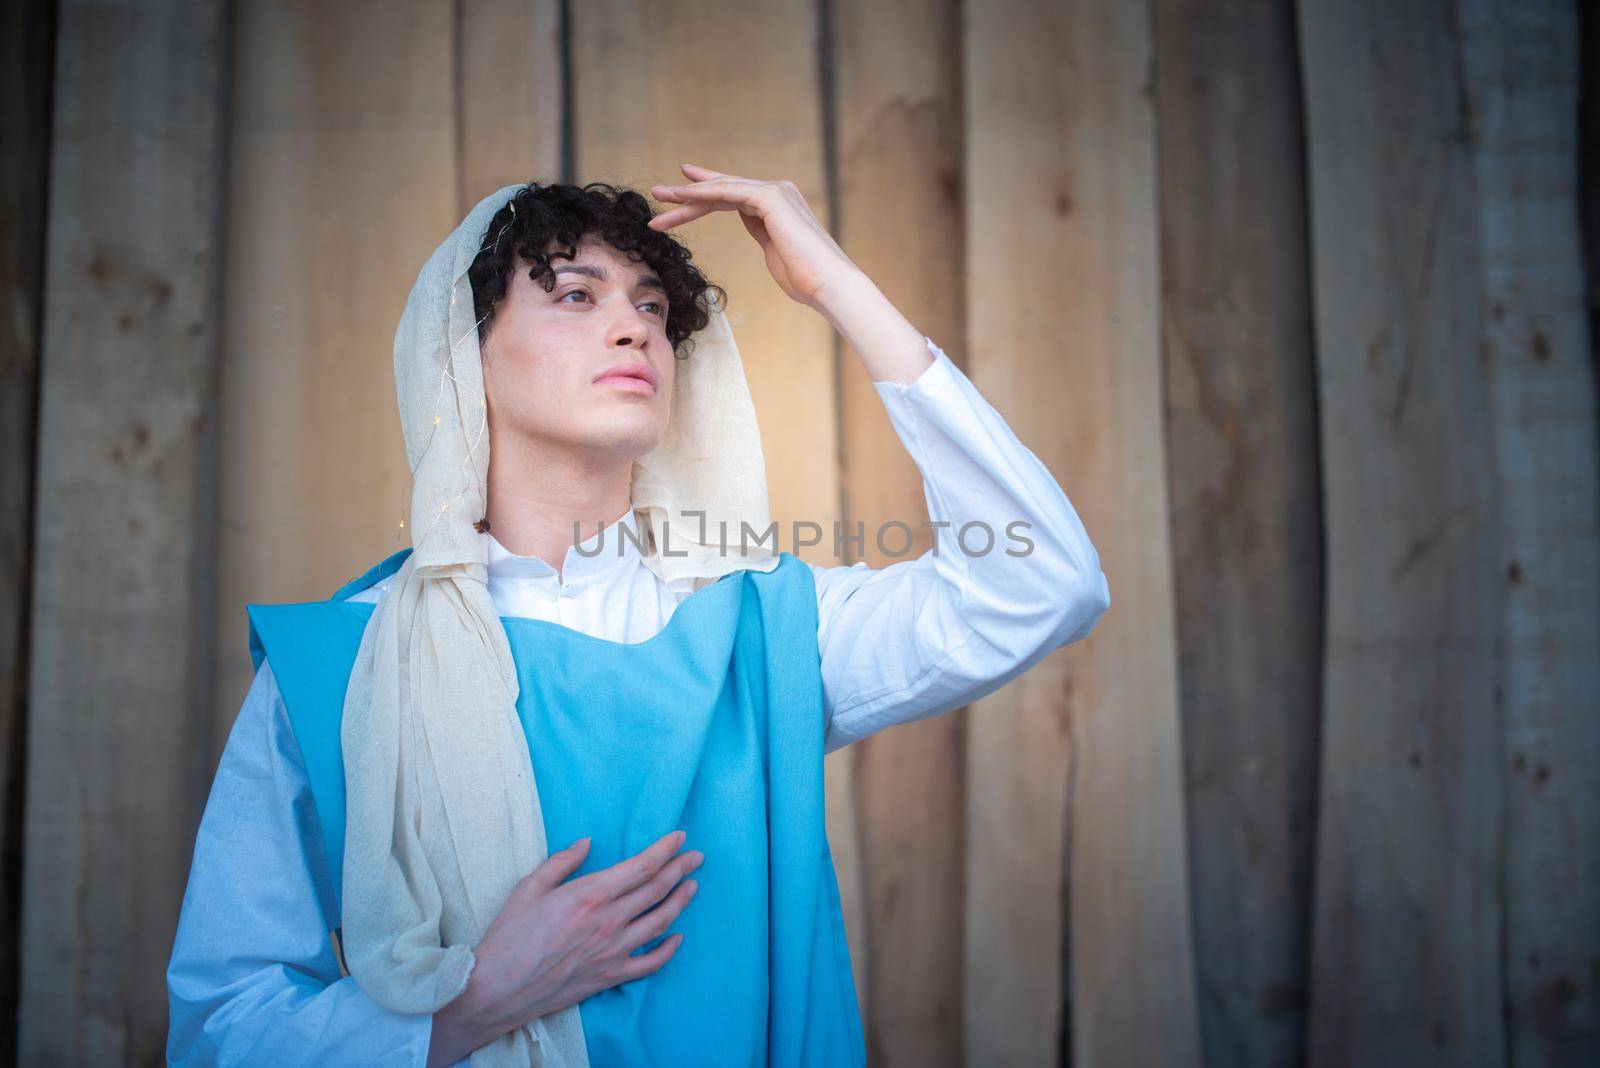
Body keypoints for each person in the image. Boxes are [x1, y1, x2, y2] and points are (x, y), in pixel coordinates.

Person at [166, 169, 1111, 1067]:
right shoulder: (340, 664)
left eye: (653, 306)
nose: (634, 327)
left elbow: (1044, 584)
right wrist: (476, 999)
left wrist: (836, 284)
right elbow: (223, 1030)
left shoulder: (767, 627)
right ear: (463, 352)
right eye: (577, 295)